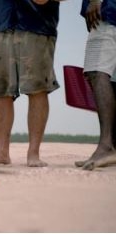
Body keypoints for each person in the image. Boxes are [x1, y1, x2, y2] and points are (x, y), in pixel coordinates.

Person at [0, 0, 61, 167]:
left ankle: (34, 153)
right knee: (1, 90)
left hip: (38, 23)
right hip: (0, 21)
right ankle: (1, 153)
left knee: (38, 88)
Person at [75, 0, 116, 169]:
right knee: (113, 78)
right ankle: (113, 146)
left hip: (108, 12)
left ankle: (106, 146)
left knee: (96, 71)